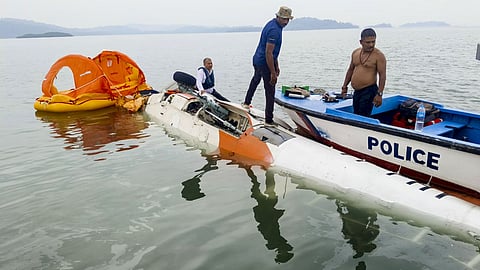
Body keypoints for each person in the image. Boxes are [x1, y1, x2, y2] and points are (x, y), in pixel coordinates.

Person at [242, 6, 293, 126]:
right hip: (264, 61)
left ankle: (246, 102)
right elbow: (268, 52)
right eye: (284, 19)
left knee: (255, 79)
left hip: (257, 59)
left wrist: (277, 64)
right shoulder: (274, 30)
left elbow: (272, 52)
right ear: (278, 17)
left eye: (288, 20)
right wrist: (273, 73)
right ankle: (269, 120)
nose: (286, 22)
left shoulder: (273, 24)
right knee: (270, 89)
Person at [341, 28, 386, 117]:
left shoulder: (379, 56)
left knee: (362, 116)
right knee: (356, 113)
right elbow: (350, 70)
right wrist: (344, 86)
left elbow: (382, 75)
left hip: (369, 90)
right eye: (368, 42)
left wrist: (379, 94)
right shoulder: (356, 53)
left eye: (373, 42)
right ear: (361, 42)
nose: (371, 45)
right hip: (357, 91)